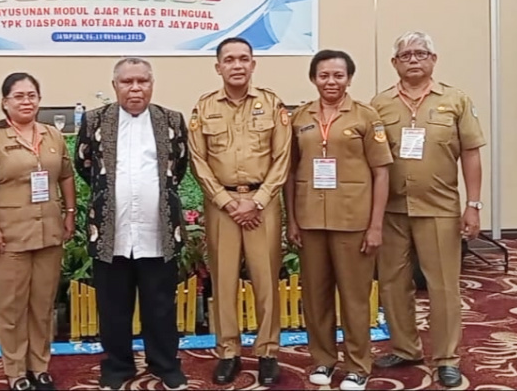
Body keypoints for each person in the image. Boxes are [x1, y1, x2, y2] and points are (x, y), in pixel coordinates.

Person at [371, 31, 485, 388]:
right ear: (394, 63)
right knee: (392, 283)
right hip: (391, 211)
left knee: (443, 286)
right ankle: (405, 348)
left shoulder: (455, 100)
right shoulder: (379, 104)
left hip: (439, 208)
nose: (414, 60)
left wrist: (473, 205)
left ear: (433, 60)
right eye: (406, 55)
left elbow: (471, 153)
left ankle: (447, 358)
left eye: (421, 53)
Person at [74, 58, 189, 391]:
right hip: (111, 231)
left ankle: (165, 364)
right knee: (113, 307)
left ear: (152, 85)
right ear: (115, 86)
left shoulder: (171, 120)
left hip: (158, 231)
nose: (135, 88)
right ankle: (117, 366)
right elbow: (84, 164)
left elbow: (178, 167)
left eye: (142, 81)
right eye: (127, 82)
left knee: (160, 305)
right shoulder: (95, 120)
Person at [285, 50, 392, 391]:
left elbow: (381, 173)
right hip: (310, 220)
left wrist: (376, 226)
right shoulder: (299, 117)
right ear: (313, 78)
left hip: (353, 221)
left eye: (338, 75)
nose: (331, 82)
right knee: (315, 297)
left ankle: (358, 365)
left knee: (355, 298)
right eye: (324, 75)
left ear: (349, 78)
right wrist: (292, 221)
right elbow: (290, 172)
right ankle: (323, 359)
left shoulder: (365, 116)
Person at [188, 37, 291, 386]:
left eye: (243, 59)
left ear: (253, 64)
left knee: (266, 281)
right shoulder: (204, 107)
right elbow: (198, 161)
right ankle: (228, 351)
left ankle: (268, 352)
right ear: (218, 67)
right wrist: (227, 201)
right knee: (224, 279)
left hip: (263, 203)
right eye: (229, 59)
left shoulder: (272, 104)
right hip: (223, 207)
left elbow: (282, 157)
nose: (237, 65)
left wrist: (258, 200)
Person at [0, 73, 76, 391]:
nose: (26, 101)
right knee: (12, 308)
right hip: (8, 237)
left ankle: (39, 366)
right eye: (19, 96)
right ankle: (16, 371)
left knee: (42, 306)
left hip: (48, 233)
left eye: (32, 95)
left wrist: (70, 213)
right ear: (5, 102)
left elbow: (66, 175)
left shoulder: (52, 135)